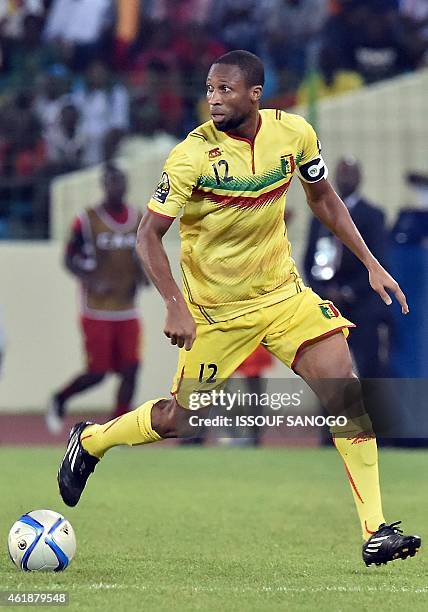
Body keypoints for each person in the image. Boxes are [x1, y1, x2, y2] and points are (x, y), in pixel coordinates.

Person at [57, 51, 420, 566]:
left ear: (255, 94)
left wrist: (370, 262)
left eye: (225, 89)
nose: (214, 97)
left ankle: (376, 529)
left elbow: (323, 198)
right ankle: (92, 441)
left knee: (346, 390)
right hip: (215, 313)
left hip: (283, 297)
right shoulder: (191, 156)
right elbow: (147, 235)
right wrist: (174, 305)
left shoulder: (294, 134)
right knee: (180, 421)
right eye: (209, 88)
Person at [46, 164, 149, 434]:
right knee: (98, 372)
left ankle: (119, 424)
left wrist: (143, 275)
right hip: (97, 309)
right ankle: (60, 398)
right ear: (104, 185)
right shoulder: (87, 219)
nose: (118, 187)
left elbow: (140, 254)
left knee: (132, 368)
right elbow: (68, 257)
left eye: (121, 182)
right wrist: (89, 279)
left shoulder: (137, 217)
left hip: (127, 307)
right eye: (112, 182)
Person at [304, 156, 389, 378]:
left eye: (350, 173)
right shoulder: (321, 213)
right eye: (341, 173)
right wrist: (323, 292)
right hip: (330, 306)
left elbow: (380, 261)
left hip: (362, 304)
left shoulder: (373, 216)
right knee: (329, 371)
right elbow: (309, 259)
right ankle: (331, 413)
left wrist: (349, 291)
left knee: (370, 368)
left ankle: (374, 412)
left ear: (360, 178)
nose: (345, 178)